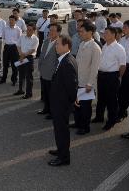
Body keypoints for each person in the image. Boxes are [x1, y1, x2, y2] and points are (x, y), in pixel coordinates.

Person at [47, 35, 78, 167]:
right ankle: (61, 150)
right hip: (58, 102)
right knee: (59, 129)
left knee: (62, 130)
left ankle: (64, 157)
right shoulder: (63, 59)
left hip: (62, 104)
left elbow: (72, 86)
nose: (56, 46)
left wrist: (69, 102)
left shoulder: (67, 62)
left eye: (58, 44)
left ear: (66, 46)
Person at [93, 27, 126, 131]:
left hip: (112, 76)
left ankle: (111, 121)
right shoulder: (105, 46)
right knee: (101, 98)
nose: (104, 35)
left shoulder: (119, 48)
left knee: (111, 100)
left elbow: (123, 66)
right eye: (104, 33)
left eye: (106, 33)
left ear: (113, 35)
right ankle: (99, 117)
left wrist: (118, 77)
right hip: (102, 75)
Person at [73, 21, 101, 135]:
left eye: (82, 31)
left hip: (86, 83)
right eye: (79, 31)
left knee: (85, 107)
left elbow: (95, 68)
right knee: (77, 104)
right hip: (78, 80)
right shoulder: (82, 44)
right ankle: (78, 123)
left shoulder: (95, 48)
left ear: (90, 32)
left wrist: (90, 83)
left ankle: (85, 127)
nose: (80, 33)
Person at [37, 23, 61, 119]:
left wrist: (56, 73)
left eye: (53, 30)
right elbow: (42, 55)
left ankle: (52, 112)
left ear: (58, 32)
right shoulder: (46, 41)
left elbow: (60, 60)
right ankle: (46, 109)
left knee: (53, 95)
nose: (50, 32)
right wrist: (40, 68)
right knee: (45, 93)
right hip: (44, 72)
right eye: (50, 30)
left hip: (53, 74)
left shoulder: (60, 43)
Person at [14, 22, 39, 99]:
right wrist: (21, 54)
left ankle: (29, 93)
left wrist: (23, 55)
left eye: (30, 30)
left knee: (29, 77)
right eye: (27, 29)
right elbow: (18, 45)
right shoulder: (22, 36)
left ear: (34, 31)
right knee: (21, 75)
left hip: (29, 58)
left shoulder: (35, 39)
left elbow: (33, 50)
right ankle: (20, 90)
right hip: (21, 56)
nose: (28, 31)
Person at [0, 15, 22, 85]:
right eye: (10, 20)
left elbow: (19, 40)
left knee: (14, 65)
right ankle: (3, 79)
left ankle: (14, 79)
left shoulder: (18, 29)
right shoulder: (5, 29)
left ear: (15, 21)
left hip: (14, 48)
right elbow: (3, 37)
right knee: (5, 64)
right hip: (7, 47)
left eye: (12, 20)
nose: (11, 21)